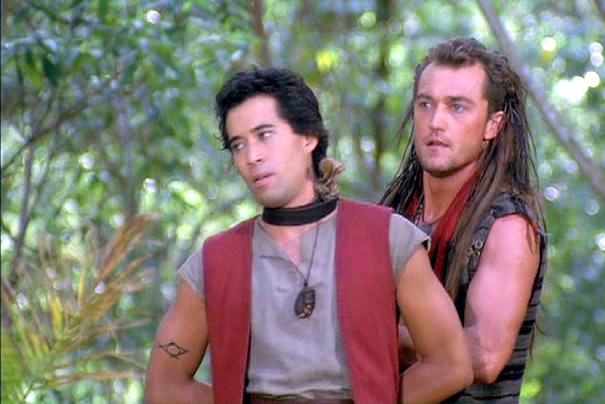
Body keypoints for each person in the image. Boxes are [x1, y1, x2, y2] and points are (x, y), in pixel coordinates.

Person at [144, 67, 472, 404]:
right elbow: (165, 386)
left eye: (264, 135)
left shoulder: (387, 237)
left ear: (308, 137)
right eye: (238, 144)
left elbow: (450, 366)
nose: (252, 156)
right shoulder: (216, 261)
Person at [380, 37, 547, 403]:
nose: (436, 122)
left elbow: (484, 356)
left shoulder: (508, 225)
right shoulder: (395, 211)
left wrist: (367, 333)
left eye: (457, 107)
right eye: (426, 104)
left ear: (493, 125)